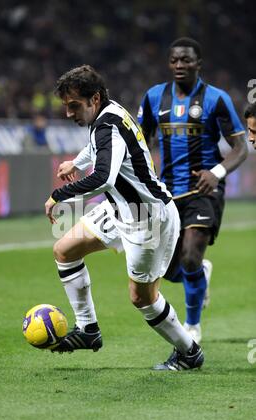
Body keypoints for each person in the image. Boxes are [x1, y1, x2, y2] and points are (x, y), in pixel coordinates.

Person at [45, 64, 204, 371]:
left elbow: (104, 177)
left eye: (74, 106)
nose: (68, 113)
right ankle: (88, 330)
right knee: (64, 250)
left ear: (94, 99)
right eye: (66, 107)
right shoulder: (110, 111)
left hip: (147, 219)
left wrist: (59, 195)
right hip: (120, 210)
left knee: (142, 298)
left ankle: (189, 352)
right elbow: (102, 149)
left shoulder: (107, 125)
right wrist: (77, 162)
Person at [137, 37, 248, 344]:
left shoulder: (216, 99)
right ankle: (202, 271)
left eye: (186, 60)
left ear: (199, 64)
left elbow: (241, 147)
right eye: (174, 60)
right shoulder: (154, 97)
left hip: (204, 189)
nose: (179, 65)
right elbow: (139, 141)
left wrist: (217, 172)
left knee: (189, 257)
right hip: (167, 193)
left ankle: (193, 326)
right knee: (170, 270)